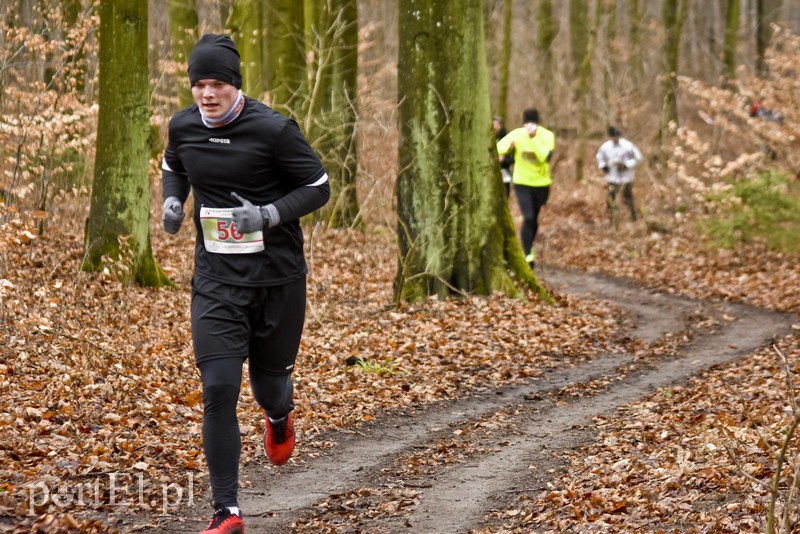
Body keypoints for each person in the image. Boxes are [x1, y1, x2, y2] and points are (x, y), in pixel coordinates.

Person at [160, 34, 330, 534]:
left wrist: (270, 214)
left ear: (235, 86)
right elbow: (174, 165)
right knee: (217, 389)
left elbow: (318, 186)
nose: (206, 94)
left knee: (269, 388)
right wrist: (174, 201)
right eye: (198, 84)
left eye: (217, 84)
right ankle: (227, 510)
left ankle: (279, 417)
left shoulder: (274, 130)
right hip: (216, 281)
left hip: (277, 279)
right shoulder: (184, 126)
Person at [496, 108, 555, 267]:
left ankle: (530, 246)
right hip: (522, 182)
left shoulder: (547, 136)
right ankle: (528, 253)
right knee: (528, 216)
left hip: (542, 184)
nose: (529, 127)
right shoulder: (517, 134)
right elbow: (498, 147)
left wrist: (533, 140)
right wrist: (509, 147)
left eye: (533, 124)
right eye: (527, 124)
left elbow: (545, 157)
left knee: (534, 219)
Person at [596, 126, 642, 227]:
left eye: (616, 136)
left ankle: (633, 218)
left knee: (628, 198)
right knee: (611, 199)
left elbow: (638, 157)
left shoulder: (628, 146)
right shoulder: (605, 147)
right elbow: (600, 158)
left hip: (626, 177)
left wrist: (627, 165)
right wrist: (604, 167)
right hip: (612, 177)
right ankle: (612, 221)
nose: (615, 138)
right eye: (613, 136)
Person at [493, 115, 514, 198]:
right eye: (493, 124)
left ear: (501, 125)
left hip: (504, 170)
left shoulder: (508, 138)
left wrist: (504, 159)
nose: (494, 127)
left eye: (496, 124)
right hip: (489, 170)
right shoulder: (486, 138)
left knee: (505, 194)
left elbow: (514, 158)